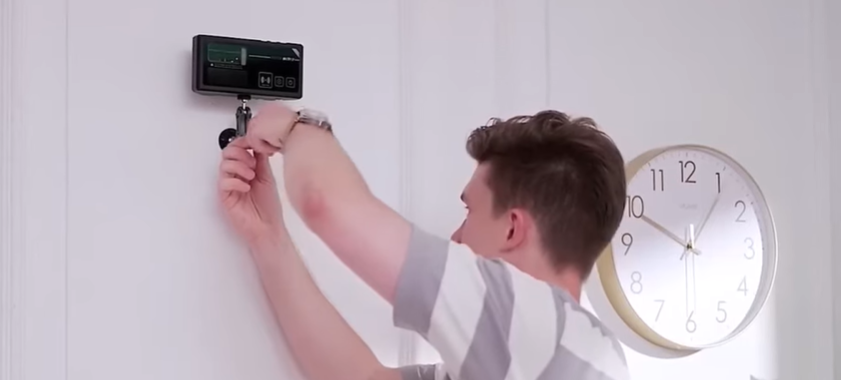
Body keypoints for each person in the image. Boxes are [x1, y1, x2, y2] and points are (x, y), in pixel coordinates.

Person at [217, 102, 631, 380]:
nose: (456, 236)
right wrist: (268, 236)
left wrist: (297, 126)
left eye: (470, 211)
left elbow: (326, 203)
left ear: (512, 229)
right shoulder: (550, 352)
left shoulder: (540, 325)